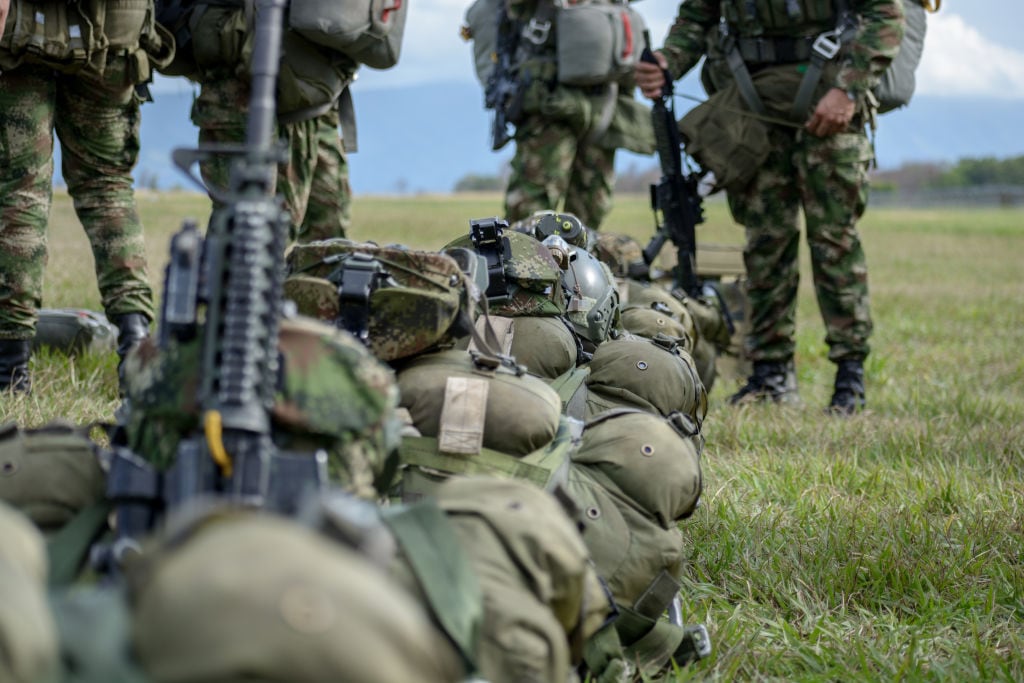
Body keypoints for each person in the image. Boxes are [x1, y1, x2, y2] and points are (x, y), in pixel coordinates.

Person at [636, 0, 905, 414]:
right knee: (765, 243)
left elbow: (885, 14)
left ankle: (849, 379)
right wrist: (666, 61)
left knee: (834, 243)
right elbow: (697, 16)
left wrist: (848, 89)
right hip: (753, 108)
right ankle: (771, 376)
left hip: (829, 105)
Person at [0, 0, 172, 392]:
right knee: (108, 188)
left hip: (21, 33)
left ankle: (10, 373)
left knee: (20, 193)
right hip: (114, 32)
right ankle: (135, 351)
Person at [470, 0, 655, 230]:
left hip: (603, 100)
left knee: (591, 208)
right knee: (531, 210)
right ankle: (523, 263)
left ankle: (580, 261)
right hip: (549, 104)